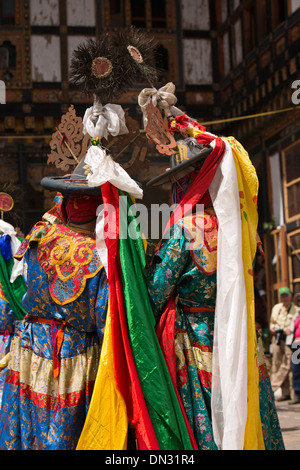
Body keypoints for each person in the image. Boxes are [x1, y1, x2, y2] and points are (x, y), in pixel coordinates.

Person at [139, 82, 284, 450]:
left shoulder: (186, 228)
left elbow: (155, 292)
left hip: (197, 341)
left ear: (191, 180)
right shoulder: (244, 229)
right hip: (238, 338)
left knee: (205, 430)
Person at [269, 286, 297, 401]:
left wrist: (287, 330)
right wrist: (273, 328)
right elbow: (272, 322)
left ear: (290, 296)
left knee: (288, 364)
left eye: (287, 295)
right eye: (283, 296)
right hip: (277, 338)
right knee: (277, 363)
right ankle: (285, 393)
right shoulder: (276, 308)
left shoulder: (295, 309)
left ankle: (276, 388)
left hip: (289, 339)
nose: (285, 298)